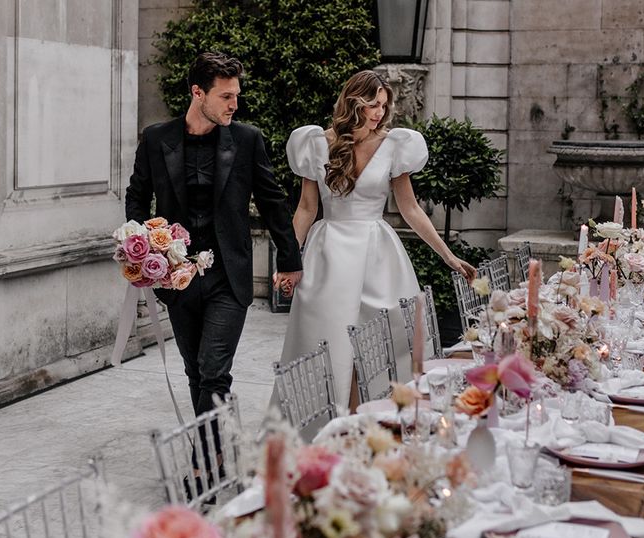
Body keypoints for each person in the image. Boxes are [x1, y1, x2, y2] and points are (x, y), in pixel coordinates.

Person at [276, 70, 476, 408]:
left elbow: (410, 209)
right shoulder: (314, 143)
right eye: (372, 104)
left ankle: (373, 420)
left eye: (383, 105)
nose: (379, 113)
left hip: (377, 254)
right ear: (353, 103)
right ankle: (327, 425)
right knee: (327, 343)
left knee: (383, 344)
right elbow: (307, 209)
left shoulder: (394, 145)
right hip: (329, 256)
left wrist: (448, 257)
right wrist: (288, 260)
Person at [125, 52, 303, 421]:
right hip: (178, 278)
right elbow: (137, 197)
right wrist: (144, 248)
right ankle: (217, 448)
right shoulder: (157, 139)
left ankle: (205, 461)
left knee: (214, 369)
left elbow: (273, 202)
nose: (235, 104)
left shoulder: (246, 140)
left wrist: (290, 259)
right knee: (196, 371)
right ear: (198, 93)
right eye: (226, 96)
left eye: (236, 95)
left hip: (228, 274)